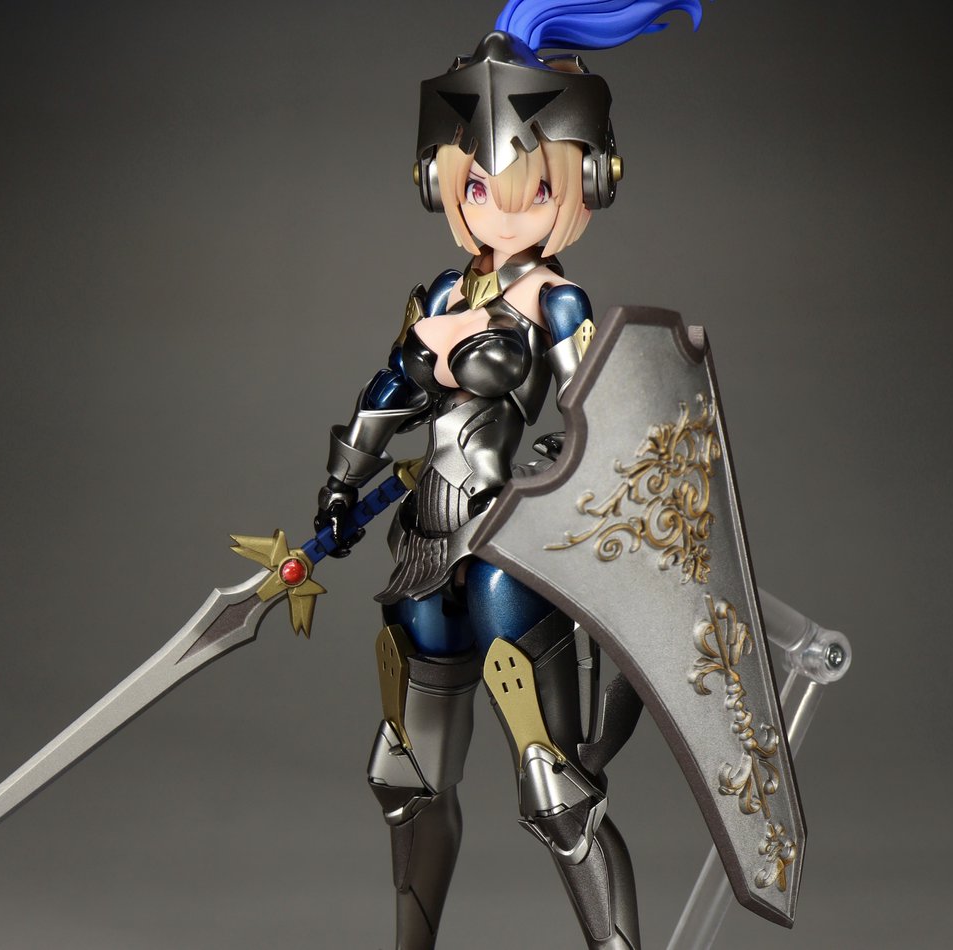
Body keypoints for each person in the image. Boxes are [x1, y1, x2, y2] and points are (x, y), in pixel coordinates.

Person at [314, 3, 702, 947]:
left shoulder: (556, 301)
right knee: (407, 779)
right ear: (442, 181)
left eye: (531, 186)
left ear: (584, 181)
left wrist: (566, 472)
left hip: (505, 549)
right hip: (424, 545)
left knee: (556, 791)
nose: (499, 207)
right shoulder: (447, 291)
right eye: (480, 184)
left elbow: (606, 418)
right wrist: (343, 482)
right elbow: (386, 395)